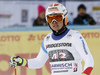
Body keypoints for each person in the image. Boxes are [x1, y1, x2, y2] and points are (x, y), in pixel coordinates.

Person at [9, 3, 94, 75]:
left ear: (65, 19)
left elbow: (88, 59)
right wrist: (22, 62)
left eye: (58, 18)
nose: (54, 22)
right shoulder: (47, 40)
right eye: (50, 18)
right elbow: (39, 62)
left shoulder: (74, 36)